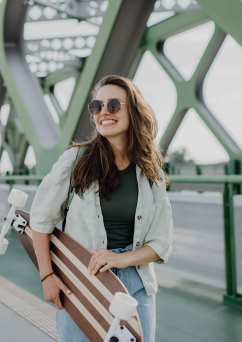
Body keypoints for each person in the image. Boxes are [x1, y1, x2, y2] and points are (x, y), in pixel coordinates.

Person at [30, 75, 173, 342]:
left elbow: (161, 243)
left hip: (135, 284)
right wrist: (47, 275)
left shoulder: (150, 172)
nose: (103, 112)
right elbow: (40, 221)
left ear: (134, 111)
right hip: (81, 280)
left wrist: (122, 259)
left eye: (114, 105)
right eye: (97, 106)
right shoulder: (75, 160)